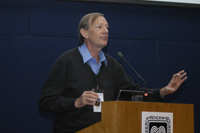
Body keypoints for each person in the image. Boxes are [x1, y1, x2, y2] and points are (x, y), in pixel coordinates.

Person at [38, 12, 187, 133]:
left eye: (107, 27)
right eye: (99, 26)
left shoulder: (113, 65)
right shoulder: (67, 61)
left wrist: (162, 92)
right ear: (84, 32)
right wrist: (76, 102)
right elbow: (46, 102)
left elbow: (134, 94)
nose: (106, 31)